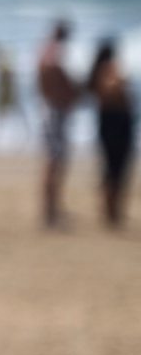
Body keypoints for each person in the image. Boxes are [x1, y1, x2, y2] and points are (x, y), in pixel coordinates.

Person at [37, 20, 79, 229]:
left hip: (52, 109)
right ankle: (50, 211)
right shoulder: (52, 52)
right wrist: (70, 89)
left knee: (56, 161)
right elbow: (52, 75)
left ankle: (53, 209)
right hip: (54, 111)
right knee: (55, 161)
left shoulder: (47, 51)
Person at [86, 40, 133, 229]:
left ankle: (111, 211)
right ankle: (111, 212)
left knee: (111, 168)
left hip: (109, 123)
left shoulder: (96, 72)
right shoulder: (107, 69)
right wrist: (121, 81)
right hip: (116, 124)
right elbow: (111, 90)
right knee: (116, 168)